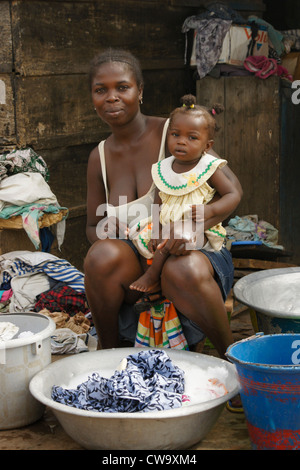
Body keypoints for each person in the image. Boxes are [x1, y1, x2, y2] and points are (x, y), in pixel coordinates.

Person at [84, 48, 243, 361]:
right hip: (138, 266)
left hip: (192, 258)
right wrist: (107, 229)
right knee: (101, 254)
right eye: (101, 90)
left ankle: (232, 360)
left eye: (123, 87)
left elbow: (232, 193)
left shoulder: (176, 134)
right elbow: (92, 226)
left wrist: (198, 224)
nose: (112, 97)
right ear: (92, 98)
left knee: (179, 265)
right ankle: (108, 355)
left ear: (140, 91)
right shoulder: (98, 158)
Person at [128, 94, 240, 297]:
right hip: (168, 224)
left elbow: (233, 194)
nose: (181, 142)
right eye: (175, 135)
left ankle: (153, 277)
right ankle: (159, 284)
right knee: (145, 236)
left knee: (175, 232)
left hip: (196, 229)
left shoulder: (208, 168)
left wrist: (211, 209)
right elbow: (159, 200)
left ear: (207, 146)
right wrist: (155, 228)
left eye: (192, 137)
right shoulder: (164, 168)